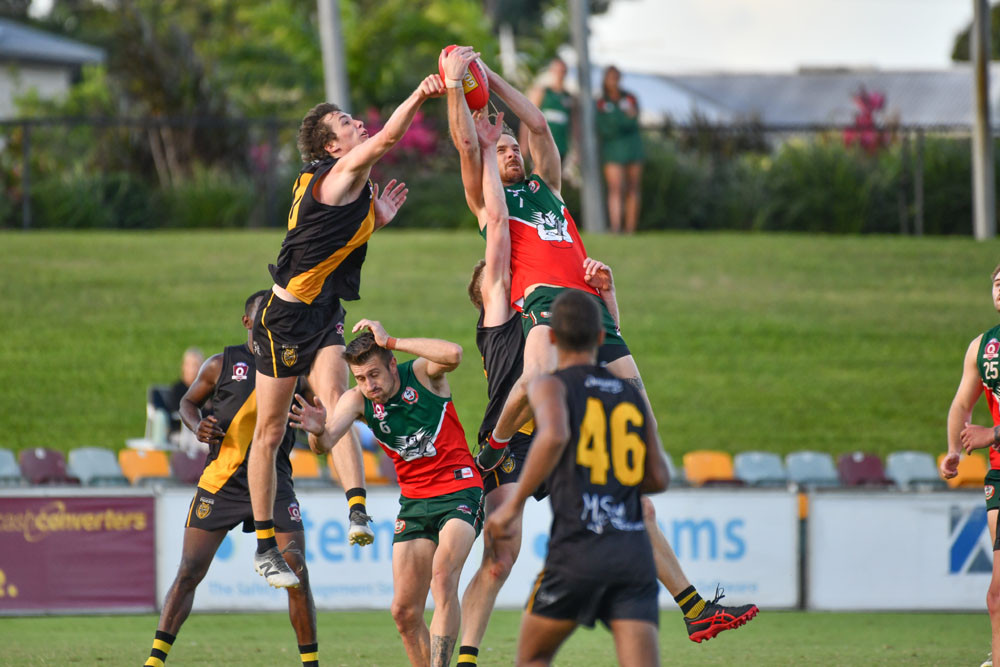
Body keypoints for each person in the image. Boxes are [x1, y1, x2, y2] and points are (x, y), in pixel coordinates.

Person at [443, 49, 756, 657]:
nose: (508, 151)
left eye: (509, 151)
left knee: (638, 431)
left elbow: (536, 125)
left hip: (591, 315)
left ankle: (694, 608)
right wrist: (464, 92)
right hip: (547, 312)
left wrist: (494, 84)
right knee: (534, 387)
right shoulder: (489, 205)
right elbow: (465, 144)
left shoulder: (550, 194)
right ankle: (495, 451)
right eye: (498, 150)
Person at [247, 74, 445, 588]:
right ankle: (265, 545)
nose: (358, 123)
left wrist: (373, 222)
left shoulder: (349, 185)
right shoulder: (335, 176)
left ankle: (357, 511)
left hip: (323, 308)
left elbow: (327, 242)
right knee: (270, 433)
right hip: (287, 317)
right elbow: (389, 139)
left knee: (337, 396)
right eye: (345, 122)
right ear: (333, 147)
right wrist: (423, 93)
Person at [486, 289, 669, 666]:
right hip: (632, 554)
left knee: (534, 657)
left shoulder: (552, 385)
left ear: (551, 337)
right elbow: (659, 477)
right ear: (601, 338)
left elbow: (553, 435)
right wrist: (614, 483)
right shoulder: (628, 394)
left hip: (577, 550)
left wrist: (512, 506)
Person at [289, 320, 483, 667]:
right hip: (413, 503)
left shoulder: (423, 375)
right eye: (361, 378)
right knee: (404, 612)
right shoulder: (359, 400)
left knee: (442, 577)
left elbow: (454, 354)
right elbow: (326, 443)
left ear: (392, 364)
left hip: (459, 489)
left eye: (374, 374)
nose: (369, 385)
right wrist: (317, 431)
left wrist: (392, 340)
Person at [143, 291, 318, 667]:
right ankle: (155, 661)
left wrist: (319, 423)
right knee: (189, 571)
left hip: (274, 484)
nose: (271, 325)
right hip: (221, 483)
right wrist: (196, 425)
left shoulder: (294, 368)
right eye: (263, 319)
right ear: (247, 323)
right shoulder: (221, 364)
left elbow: (321, 409)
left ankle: (311, 664)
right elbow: (187, 403)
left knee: (297, 574)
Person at [943, 262, 1000, 667]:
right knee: (997, 594)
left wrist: (991, 434)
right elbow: (963, 403)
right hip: (999, 472)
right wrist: (953, 449)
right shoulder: (984, 347)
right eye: (996, 283)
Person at [596, 65, 644, 235]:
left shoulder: (630, 98)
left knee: (633, 187)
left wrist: (620, 121)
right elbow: (605, 127)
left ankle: (630, 229)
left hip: (632, 147)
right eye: (610, 77)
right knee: (615, 188)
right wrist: (622, 120)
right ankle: (616, 228)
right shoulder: (601, 102)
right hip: (613, 149)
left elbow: (633, 121)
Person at [522, 56, 574, 163]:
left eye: (562, 71)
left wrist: (574, 148)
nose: (560, 74)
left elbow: (572, 124)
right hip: (541, 145)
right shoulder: (542, 92)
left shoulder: (568, 97)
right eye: (557, 71)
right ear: (551, 71)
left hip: (560, 146)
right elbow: (526, 117)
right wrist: (523, 143)